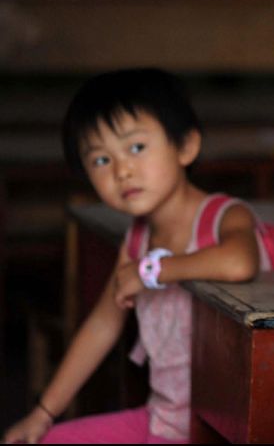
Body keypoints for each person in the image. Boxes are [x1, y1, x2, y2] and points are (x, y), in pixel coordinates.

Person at [3, 68, 260, 444]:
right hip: (162, 420)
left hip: (215, 429)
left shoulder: (223, 216)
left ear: (186, 146)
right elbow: (101, 327)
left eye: (136, 147)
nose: (122, 170)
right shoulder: (137, 240)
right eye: (101, 160)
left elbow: (240, 262)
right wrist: (42, 414)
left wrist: (154, 271)